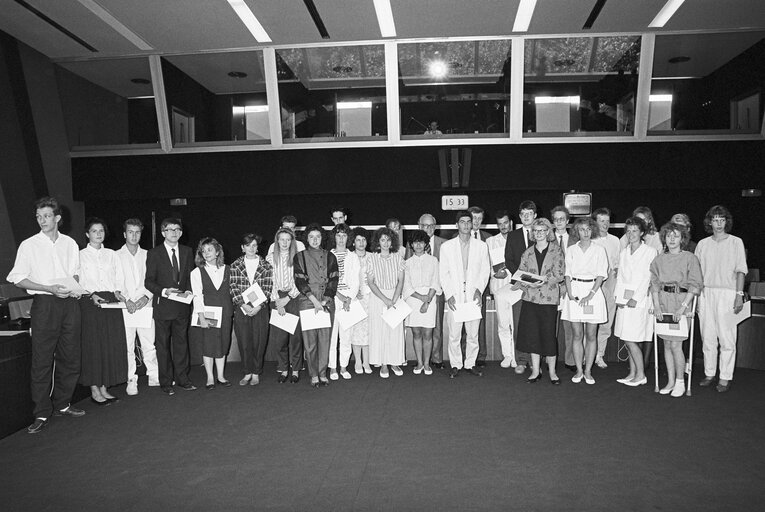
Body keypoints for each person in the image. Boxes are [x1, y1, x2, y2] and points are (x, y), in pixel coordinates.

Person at [7, 197, 85, 433]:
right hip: (45, 303)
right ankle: (41, 412)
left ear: (58, 218)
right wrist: (49, 288)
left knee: (70, 357)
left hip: (69, 302)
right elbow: (18, 278)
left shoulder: (70, 243)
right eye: (39, 217)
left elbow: (77, 274)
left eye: (47, 216)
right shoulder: (29, 245)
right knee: (42, 360)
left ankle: (62, 403)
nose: (42, 221)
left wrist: (71, 287)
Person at [695, 205, 747, 393]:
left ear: (727, 222)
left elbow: (741, 270)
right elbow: (696, 272)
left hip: (728, 293)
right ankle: (709, 373)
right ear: (709, 222)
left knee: (727, 338)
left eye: (721, 219)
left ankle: (725, 376)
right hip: (706, 293)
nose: (718, 223)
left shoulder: (736, 242)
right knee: (707, 336)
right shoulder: (702, 244)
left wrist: (739, 295)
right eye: (715, 219)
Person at [78, 217, 128, 405]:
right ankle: (94, 389)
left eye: (101, 231)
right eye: (94, 231)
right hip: (90, 302)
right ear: (87, 234)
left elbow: (119, 277)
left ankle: (105, 388)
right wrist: (91, 295)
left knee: (109, 344)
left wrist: (118, 292)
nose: (98, 234)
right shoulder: (80, 255)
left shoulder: (112, 254)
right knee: (93, 346)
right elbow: (78, 281)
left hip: (110, 302)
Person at [650, 222, 703, 397]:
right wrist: (656, 306)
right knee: (666, 343)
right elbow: (655, 284)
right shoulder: (659, 259)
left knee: (676, 344)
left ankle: (680, 381)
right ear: (664, 238)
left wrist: (683, 307)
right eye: (669, 235)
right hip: (664, 302)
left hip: (681, 302)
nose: (672, 239)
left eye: (676, 236)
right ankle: (671, 381)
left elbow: (695, 285)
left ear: (682, 239)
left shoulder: (690, 258)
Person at [145, 217, 196, 395]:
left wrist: (190, 290)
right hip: (163, 306)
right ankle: (165, 382)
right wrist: (164, 290)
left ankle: (183, 379)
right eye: (169, 229)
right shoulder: (154, 253)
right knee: (163, 346)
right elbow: (148, 281)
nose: (174, 232)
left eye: (177, 229)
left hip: (182, 307)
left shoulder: (188, 251)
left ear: (181, 232)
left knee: (182, 345)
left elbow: (191, 277)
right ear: (163, 233)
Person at [513, 218, 565, 384]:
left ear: (548, 232)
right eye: (536, 231)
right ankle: (535, 371)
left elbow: (560, 274)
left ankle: (552, 372)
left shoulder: (556, 251)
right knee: (532, 336)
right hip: (530, 298)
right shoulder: (527, 253)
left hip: (549, 299)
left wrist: (544, 280)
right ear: (532, 233)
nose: (539, 233)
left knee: (549, 335)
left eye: (542, 230)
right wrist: (522, 283)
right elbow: (522, 273)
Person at [440, 210, 490, 378]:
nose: (467, 225)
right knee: (454, 334)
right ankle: (455, 364)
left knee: (473, 334)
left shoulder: (482, 246)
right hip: (455, 296)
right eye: (463, 222)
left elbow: (485, 271)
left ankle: (470, 364)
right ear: (457, 225)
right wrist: (449, 294)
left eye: (469, 221)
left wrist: (479, 290)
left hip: (472, 297)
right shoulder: (446, 247)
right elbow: (443, 273)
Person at [114, 218, 159, 396]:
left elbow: (154, 280)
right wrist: (127, 300)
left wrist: (146, 297)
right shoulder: (115, 256)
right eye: (130, 232)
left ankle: (154, 375)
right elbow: (114, 283)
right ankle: (131, 379)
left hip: (145, 305)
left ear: (141, 234)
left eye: (137, 232)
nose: (134, 235)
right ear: (125, 234)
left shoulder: (149, 255)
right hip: (125, 307)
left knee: (149, 343)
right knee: (127, 345)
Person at [562, 217, 608, 385]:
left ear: (592, 230)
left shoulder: (599, 250)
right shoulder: (572, 250)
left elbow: (602, 274)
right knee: (577, 334)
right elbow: (567, 273)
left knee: (591, 335)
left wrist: (591, 294)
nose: (586, 233)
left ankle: (588, 370)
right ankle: (579, 370)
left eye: (588, 229)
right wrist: (570, 292)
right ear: (577, 231)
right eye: (582, 229)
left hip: (593, 294)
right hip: (574, 292)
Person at [614, 217, 658, 387]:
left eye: (635, 231)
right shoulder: (624, 252)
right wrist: (618, 298)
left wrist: (636, 298)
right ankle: (632, 373)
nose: (631, 234)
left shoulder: (650, 251)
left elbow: (648, 277)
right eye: (629, 231)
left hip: (639, 301)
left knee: (632, 339)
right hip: (624, 300)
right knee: (626, 337)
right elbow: (620, 278)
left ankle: (641, 375)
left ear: (642, 233)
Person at [294, 223, 338, 387]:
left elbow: (334, 279)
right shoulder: (299, 256)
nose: (314, 239)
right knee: (310, 340)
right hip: (307, 299)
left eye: (318, 236)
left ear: (322, 238)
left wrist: (325, 300)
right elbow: (299, 280)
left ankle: (322, 372)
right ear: (306, 238)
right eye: (311, 236)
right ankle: (313, 374)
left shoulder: (330, 256)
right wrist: (314, 300)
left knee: (325, 339)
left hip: (326, 298)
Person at [190, 238, 234, 390]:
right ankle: (210, 377)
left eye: (209, 250)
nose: (206, 253)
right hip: (208, 313)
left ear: (217, 251)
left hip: (226, 312)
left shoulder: (228, 269)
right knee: (208, 345)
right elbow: (197, 296)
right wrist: (201, 317)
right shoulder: (197, 272)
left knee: (223, 343)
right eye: (203, 251)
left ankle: (221, 376)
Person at [230, 233, 273, 385]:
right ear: (243, 248)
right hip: (242, 309)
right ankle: (247, 372)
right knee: (244, 341)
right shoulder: (235, 265)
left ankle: (256, 372)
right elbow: (233, 287)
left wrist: (259, 306)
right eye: (248, 245)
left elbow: (268, 288)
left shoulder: (266, 265)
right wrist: (243, 304)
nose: (251, 248)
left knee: (259, 341)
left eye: (254, 245)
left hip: (260, 309)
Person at [366, 227, 406, 378]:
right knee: (380, 331)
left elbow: (401, 280)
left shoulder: (398, 257)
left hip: (395, 297)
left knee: (395, 331)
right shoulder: (372, 258)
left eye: (388, 240)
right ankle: (383, 363)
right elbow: (370, 282)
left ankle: (395, 361)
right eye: (382, 240)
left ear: (392, 242)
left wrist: (394, 299)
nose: (385, 243)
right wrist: (385, 300)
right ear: (378, 241)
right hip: (378, 298)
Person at [503, 200, 538, 374]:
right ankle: (521, 360)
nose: (526, 217)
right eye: (523, 214)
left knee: (536, 325)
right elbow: (509, 260)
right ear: (519, 216)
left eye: (529, 213)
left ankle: (536, 361)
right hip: (518, 286)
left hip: (539, 289)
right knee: (519, 324)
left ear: (535, 216)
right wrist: (523, 280)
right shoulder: (513, 235)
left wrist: (534, 282)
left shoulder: (542, 234)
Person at [266, 228, 303, 383]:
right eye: (282, 239)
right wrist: (277, 302)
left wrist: (288, 298)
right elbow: (270, 281)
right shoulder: (270, 258)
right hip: (277, 298)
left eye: (288, 239)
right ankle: (283, 368)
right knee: (280, 338)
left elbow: (301, 280)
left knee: (295, 337)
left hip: (293, 297)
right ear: (277, 240)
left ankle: (295, 369)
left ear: (292, 241)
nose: (285, 243)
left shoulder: (298, 258)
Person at [403, 229, 440, 375]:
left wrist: (427, 300)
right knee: (416, 333)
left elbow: (436, 282)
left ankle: (427, 363)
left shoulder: (433, 260)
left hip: (430, 300)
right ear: (411, 245)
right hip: (413, 300)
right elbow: (407, 286)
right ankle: (419, 363)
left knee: (428, 334)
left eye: (421, 242)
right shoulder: (406, 263)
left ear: (425, 244)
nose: (418, 245)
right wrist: (421, 298)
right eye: (415, 242)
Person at [413, 213, 447, 369]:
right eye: (425, 225)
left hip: (437, 291)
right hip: (416, 295)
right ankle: (421, 361)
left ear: (436, 227)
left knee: (437, 326)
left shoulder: (444, 244)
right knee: (419, 330)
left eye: (431, 226)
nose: (428, 228)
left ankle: (437, 358)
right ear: (419, 226)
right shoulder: (412, 245)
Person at [328, 223, 360, 380]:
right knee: (332, 335)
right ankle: (332, 367)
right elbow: (326, 280)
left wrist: (349, 298)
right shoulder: (327, 255)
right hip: (332, 297)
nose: (341, 239)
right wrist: (339, 296)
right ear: (334, 237)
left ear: (349, 238)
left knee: (346, 335)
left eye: (344, 235)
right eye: (338, 235)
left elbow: (356, 280)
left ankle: (343, 366)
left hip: (349, 299)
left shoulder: (353, 256)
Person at [592, 207, 621, 369]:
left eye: (607, 220)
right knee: (590, 323)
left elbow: (617, 263)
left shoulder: (615, 241)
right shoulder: (590, 240)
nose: (605, 224)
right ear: (595, 222)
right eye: (601, 221)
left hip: (610, 283)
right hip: (593, 283)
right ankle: (586, 355)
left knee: (606, 322)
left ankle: (599, 355)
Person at [486, 210, 515, 368]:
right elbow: (486, 264)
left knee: (516, 323)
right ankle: (507, 355)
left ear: (510, 222)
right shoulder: (491, 241)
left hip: (517, 286)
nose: (503, 226)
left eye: (505, 223)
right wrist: (494, 273)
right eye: (500, 224)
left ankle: (517, 356)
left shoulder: (518, 238)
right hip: (499, 286)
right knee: (503, 323)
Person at [551, 205, 576, 372]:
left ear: (567, 221)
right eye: (556, 219)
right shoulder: (546, 240)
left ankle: (571, 361)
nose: (559, 222)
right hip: (550, 289)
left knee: (571, 329)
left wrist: (567, 287)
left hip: (571, 289)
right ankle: (548, 360)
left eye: (562, 219)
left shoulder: (576, 240)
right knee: (549, 327)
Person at [349, 227, 373, 374]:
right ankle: (358, 361)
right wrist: (353, 292)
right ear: (353, 242)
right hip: (354, 299)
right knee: (356, 330)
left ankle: (367, 362)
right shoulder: (349, 257)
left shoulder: (372, 256)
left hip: (370, 298)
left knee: (369, 330)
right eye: (358, 240)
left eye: (363, 240)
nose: (361, 242)